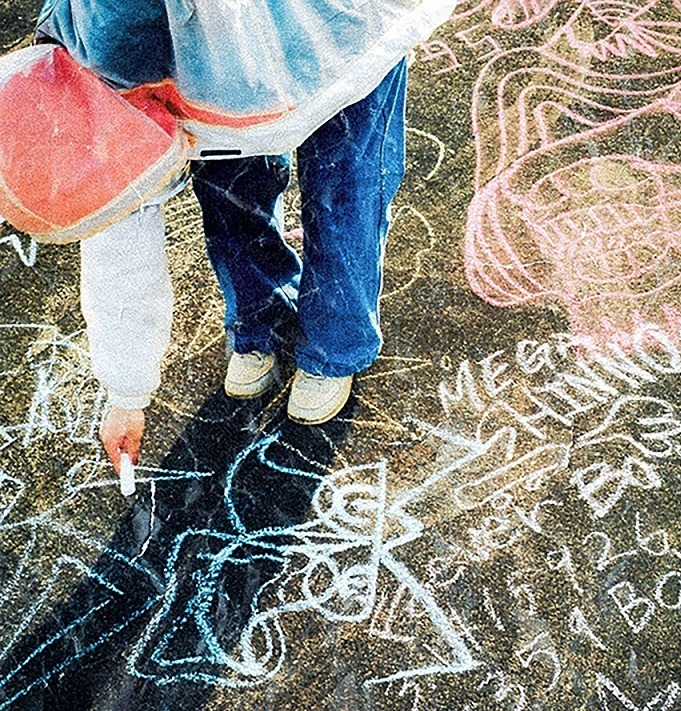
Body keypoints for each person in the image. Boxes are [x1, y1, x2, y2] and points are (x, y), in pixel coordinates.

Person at [35, 0, 456, 473]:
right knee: (228, 180)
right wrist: (127, 392)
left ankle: (334, 346)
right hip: (204, 64)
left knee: (348, 178)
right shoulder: (103, 37)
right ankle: (261, 321)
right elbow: (122, 211)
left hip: (344, 23)